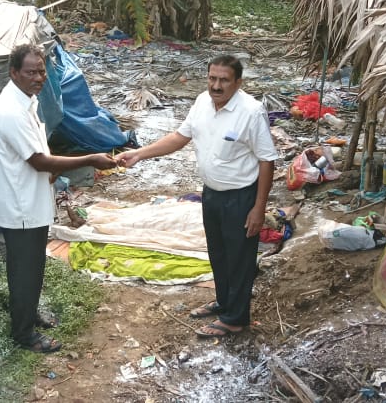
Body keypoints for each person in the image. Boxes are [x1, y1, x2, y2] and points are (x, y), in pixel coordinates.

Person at [116, 54, 278, 338]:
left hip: (241, 197)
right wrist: (139, 154)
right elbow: (180, 137)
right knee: (218, 253)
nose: (216, 86)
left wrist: (259, 207)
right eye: (212, 78)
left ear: (238, 83)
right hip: (212, 194)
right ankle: (224, 302)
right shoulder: (203, 102)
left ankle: (235, 319)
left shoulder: (251, 112)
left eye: (224, 80)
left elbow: (267, 160)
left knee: (240, 258)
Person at [0, 44, 117, 353]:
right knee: (25, 269)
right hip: (21, 206)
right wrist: (91, 159)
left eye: (42, 70)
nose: (38, 77)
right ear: (13, 72)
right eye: (30, 72)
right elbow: (40, 161)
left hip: (31, 200)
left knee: (30, 267)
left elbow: (38, 156)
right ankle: (23, 334)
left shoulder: (25, 101)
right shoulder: (10, 111)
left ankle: (29, 312)